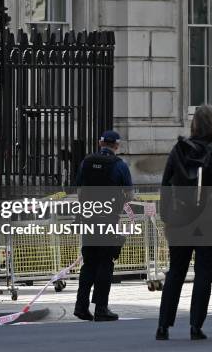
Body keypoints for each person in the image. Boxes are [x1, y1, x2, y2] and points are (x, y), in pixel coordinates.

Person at [156, 104, 212, 341]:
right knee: (204, 272)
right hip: (209, 220)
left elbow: (166, 185)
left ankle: (163, 326)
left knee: (176, 272)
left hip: (180, 219)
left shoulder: (178, 150)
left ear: (194, 125)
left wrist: (166, 216)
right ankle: (196, 326)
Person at [73, 130, 133, 322]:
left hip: (89, 218)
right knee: (105, 262)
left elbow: (80, 190)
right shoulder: (119, 166)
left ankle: (81, 306)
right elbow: (129, 194)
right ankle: (101, 308)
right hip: (108, 219)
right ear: (116, 145)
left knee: (89, 262)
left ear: (100, 143)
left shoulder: (86, 162)